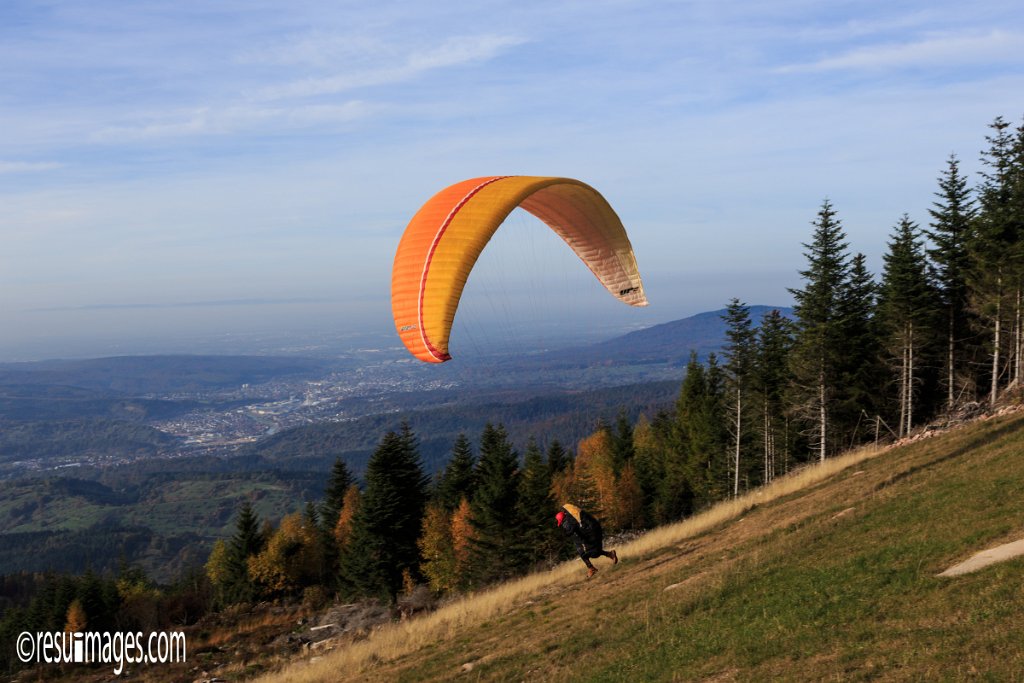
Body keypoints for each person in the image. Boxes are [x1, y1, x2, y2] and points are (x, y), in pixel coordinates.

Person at [556, 503, 618, 578]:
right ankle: (609, 555)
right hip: (593, 531)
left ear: (561, 520)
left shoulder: (566, 522)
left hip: (587, 536)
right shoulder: (571, 517)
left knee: (585, 553)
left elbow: (571, 530)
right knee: (591, 551)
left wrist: (566, 534)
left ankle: (592, 567)